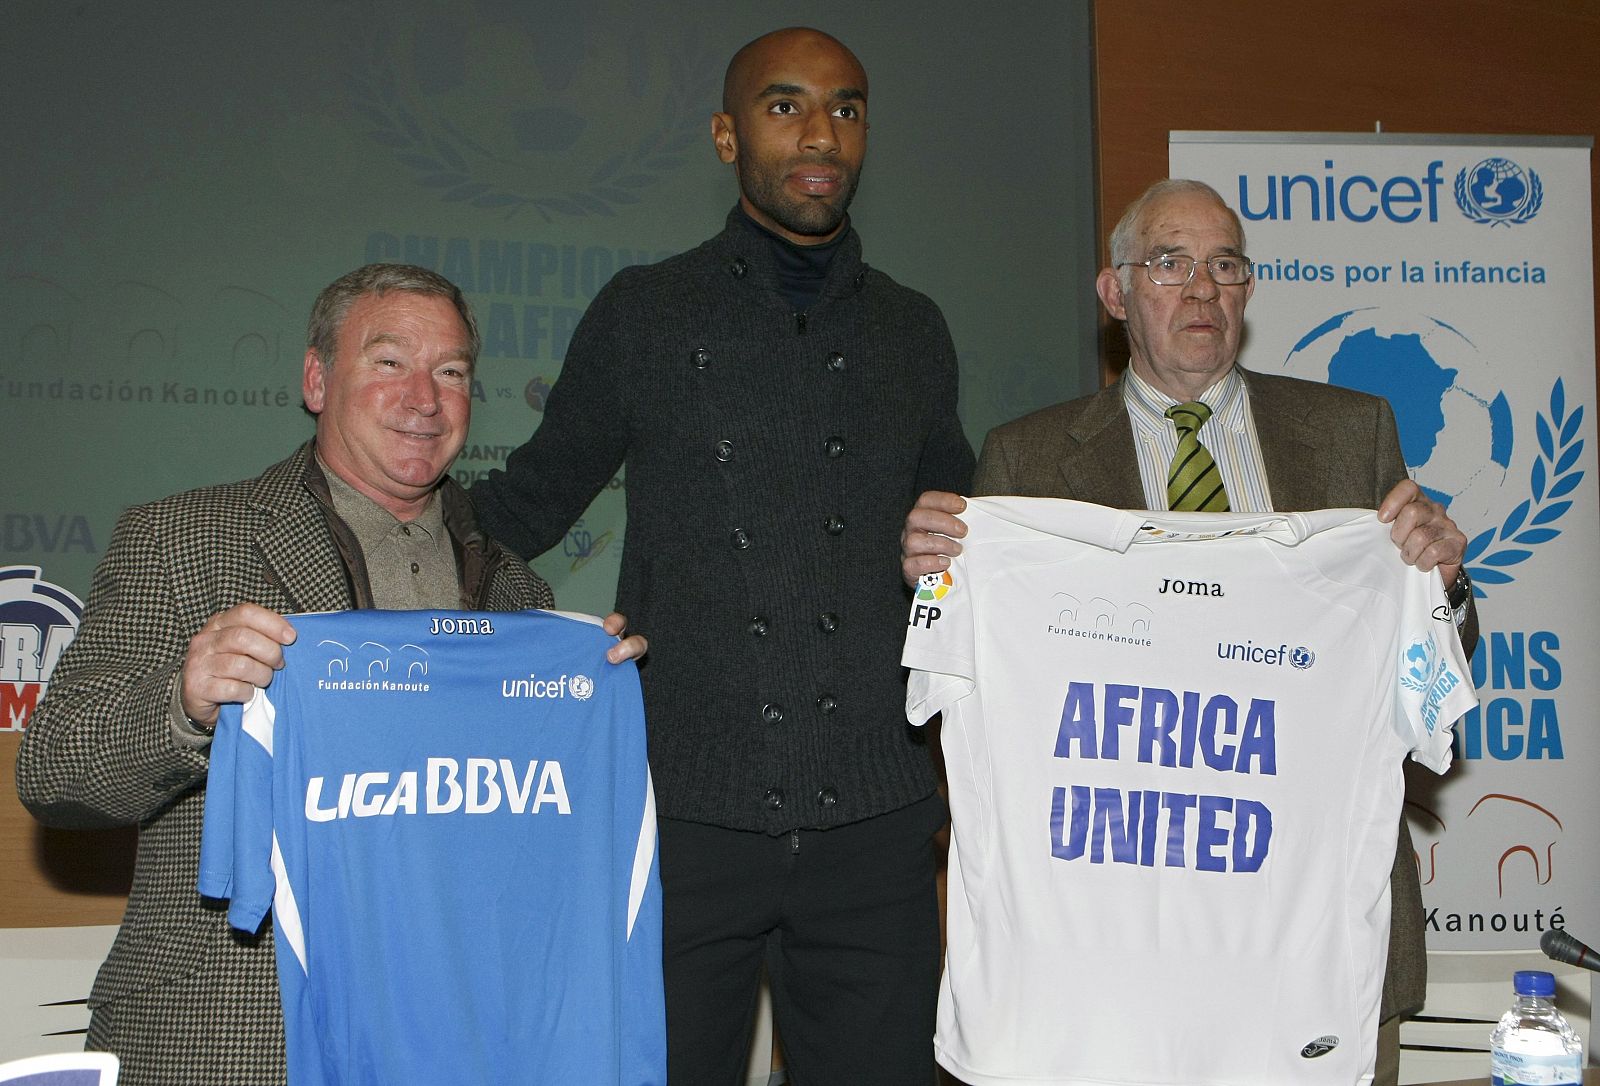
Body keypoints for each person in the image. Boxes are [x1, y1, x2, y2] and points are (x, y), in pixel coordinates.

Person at [470, 27, 974, 1085]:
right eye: (784, 105)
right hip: (683, 811)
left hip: (876, 824)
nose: (820, 133)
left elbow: (964, 542)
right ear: (724, 134)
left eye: (846, 107)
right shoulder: (644, 312)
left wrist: (954, 551)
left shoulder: (913, 330)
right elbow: (525, 506)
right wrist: (355, 551)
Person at [900, 179, 1479, 1086]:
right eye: (1170, 264)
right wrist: (938, 585)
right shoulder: (1027, 459)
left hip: (1306, 949)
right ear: (1115, 292)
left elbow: (1417, 657)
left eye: (1225, 265)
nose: (1201, 289)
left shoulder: (1351, 433)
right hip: (1103, 962)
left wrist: (1443, 588)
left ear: (1247, 290)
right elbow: (996, 684)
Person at [15, 263, 645, 1086]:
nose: (425, 398)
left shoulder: (522, 597)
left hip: (456, 1037)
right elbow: (55, 770)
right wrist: (183, 703)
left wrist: (597, 704)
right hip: (238, 1037)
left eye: (451, 372)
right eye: (389, 362)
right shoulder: (181, 540)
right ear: (317, 379)